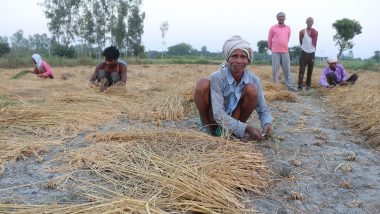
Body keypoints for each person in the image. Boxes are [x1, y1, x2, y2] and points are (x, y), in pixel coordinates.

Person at [194, 35, 273, 141]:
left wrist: (267, 123)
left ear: (248, 60)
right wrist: (247, 128)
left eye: (243, 57)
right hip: (213, 118)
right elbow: (217, 114)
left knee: (252, 90)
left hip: (236, 118)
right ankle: (207, 128)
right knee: (202, 84)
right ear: (228, 59)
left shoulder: (254, 79)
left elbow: (262, 108)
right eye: (234, 56)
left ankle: (233, 133)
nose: (239, 61)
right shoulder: (218, 77)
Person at [268, 12, 296, 91]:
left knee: (287, 69)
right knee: (275, 69)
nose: (281, 18)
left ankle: (289, 86)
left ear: (285, 18)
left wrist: (284, 45)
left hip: (285, 51)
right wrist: (271, 48)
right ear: (277, 18)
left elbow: (287, 38)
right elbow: (269, 39)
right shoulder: (273, 28)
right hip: (275, 51)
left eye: (282, 16)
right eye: (279, 17)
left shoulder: (288, 28)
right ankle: (276, 86)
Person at [298, 17, 318, 91]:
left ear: (313, 23)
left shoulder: (315, 32)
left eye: (311, 21)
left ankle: (308, 86)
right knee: (302, 70)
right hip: (304, 53)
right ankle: (299, 86)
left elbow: (315, 42)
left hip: (312, 53)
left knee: (310, 71)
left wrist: (313, 50)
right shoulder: (302, 31)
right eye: (308, 21)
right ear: (306, 22)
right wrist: (305, 48)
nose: (309, 22)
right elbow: (301, 41)